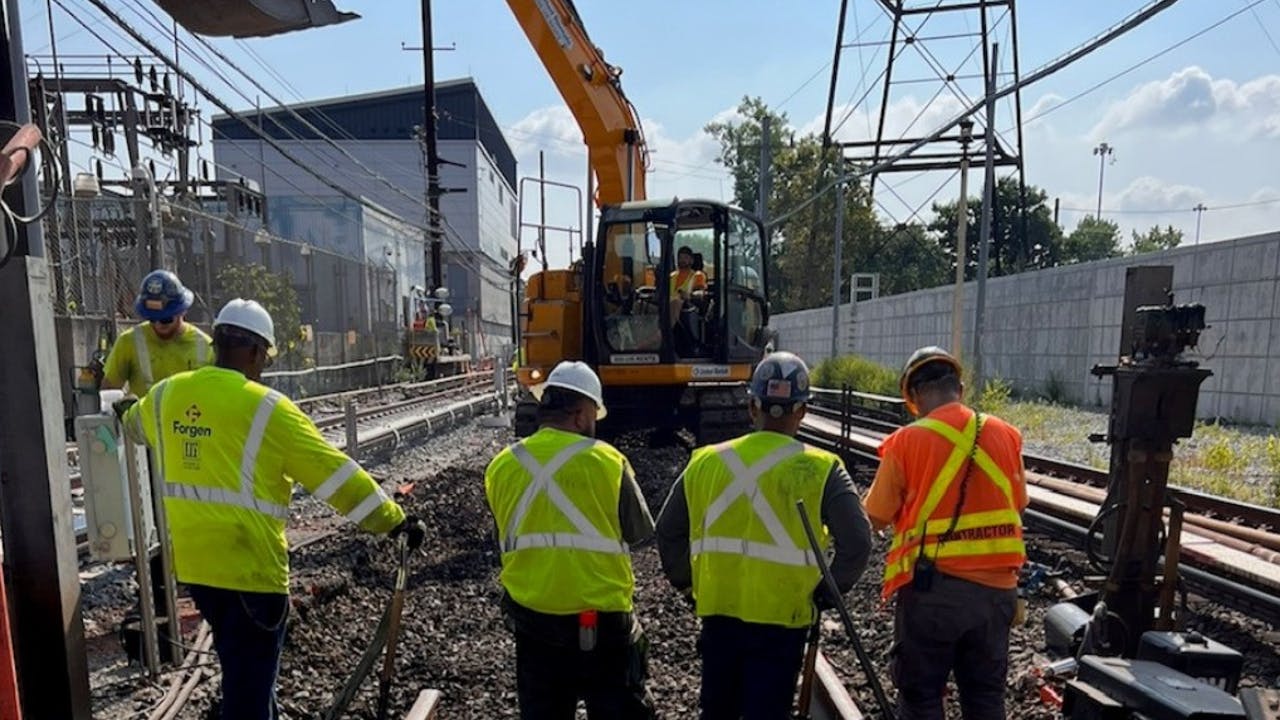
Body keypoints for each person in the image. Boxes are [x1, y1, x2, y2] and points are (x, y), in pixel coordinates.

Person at [120, 298, 426, 720]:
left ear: (217, 343)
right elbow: (336, 476)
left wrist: (124, 410)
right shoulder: (270, 409)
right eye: (264, 355)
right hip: (251, 574)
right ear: (255, 351)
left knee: (247, 677)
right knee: (247, 695)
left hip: (197, 571)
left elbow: (133, 424)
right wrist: (394, 521)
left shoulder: (166, 394)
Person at [655, 351, 873, 720]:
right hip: (783, 621)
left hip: (719, 614)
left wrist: (689, 585)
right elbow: (858, 542)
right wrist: (826, 592)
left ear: (752, 406)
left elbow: (668, 530)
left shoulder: (705, 461)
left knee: (717, 711)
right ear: (802, 411)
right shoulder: (823, 469)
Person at [484, 360, 656, 719]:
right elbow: (640, 533)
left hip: (533, 621)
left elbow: (505, 533)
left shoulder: (500, 466)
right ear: (580, 415)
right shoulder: (609, 462)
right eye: (594, 414)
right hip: (604, 621)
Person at [864, 346, 1028, 720]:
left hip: (933, 595)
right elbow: (1018, 504)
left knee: (921, 698)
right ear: (960, 389)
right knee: (986, 699)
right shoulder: (1006, 434)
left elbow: (874, 516)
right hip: (998, 594)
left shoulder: (906, 441)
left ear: (914, 396)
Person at [102, 269, 212, 396]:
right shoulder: (129, 342)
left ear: (182, 311)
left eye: (166, 319)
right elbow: (109, 390)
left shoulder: (205, 346)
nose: (158, 324)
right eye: (152, 319)